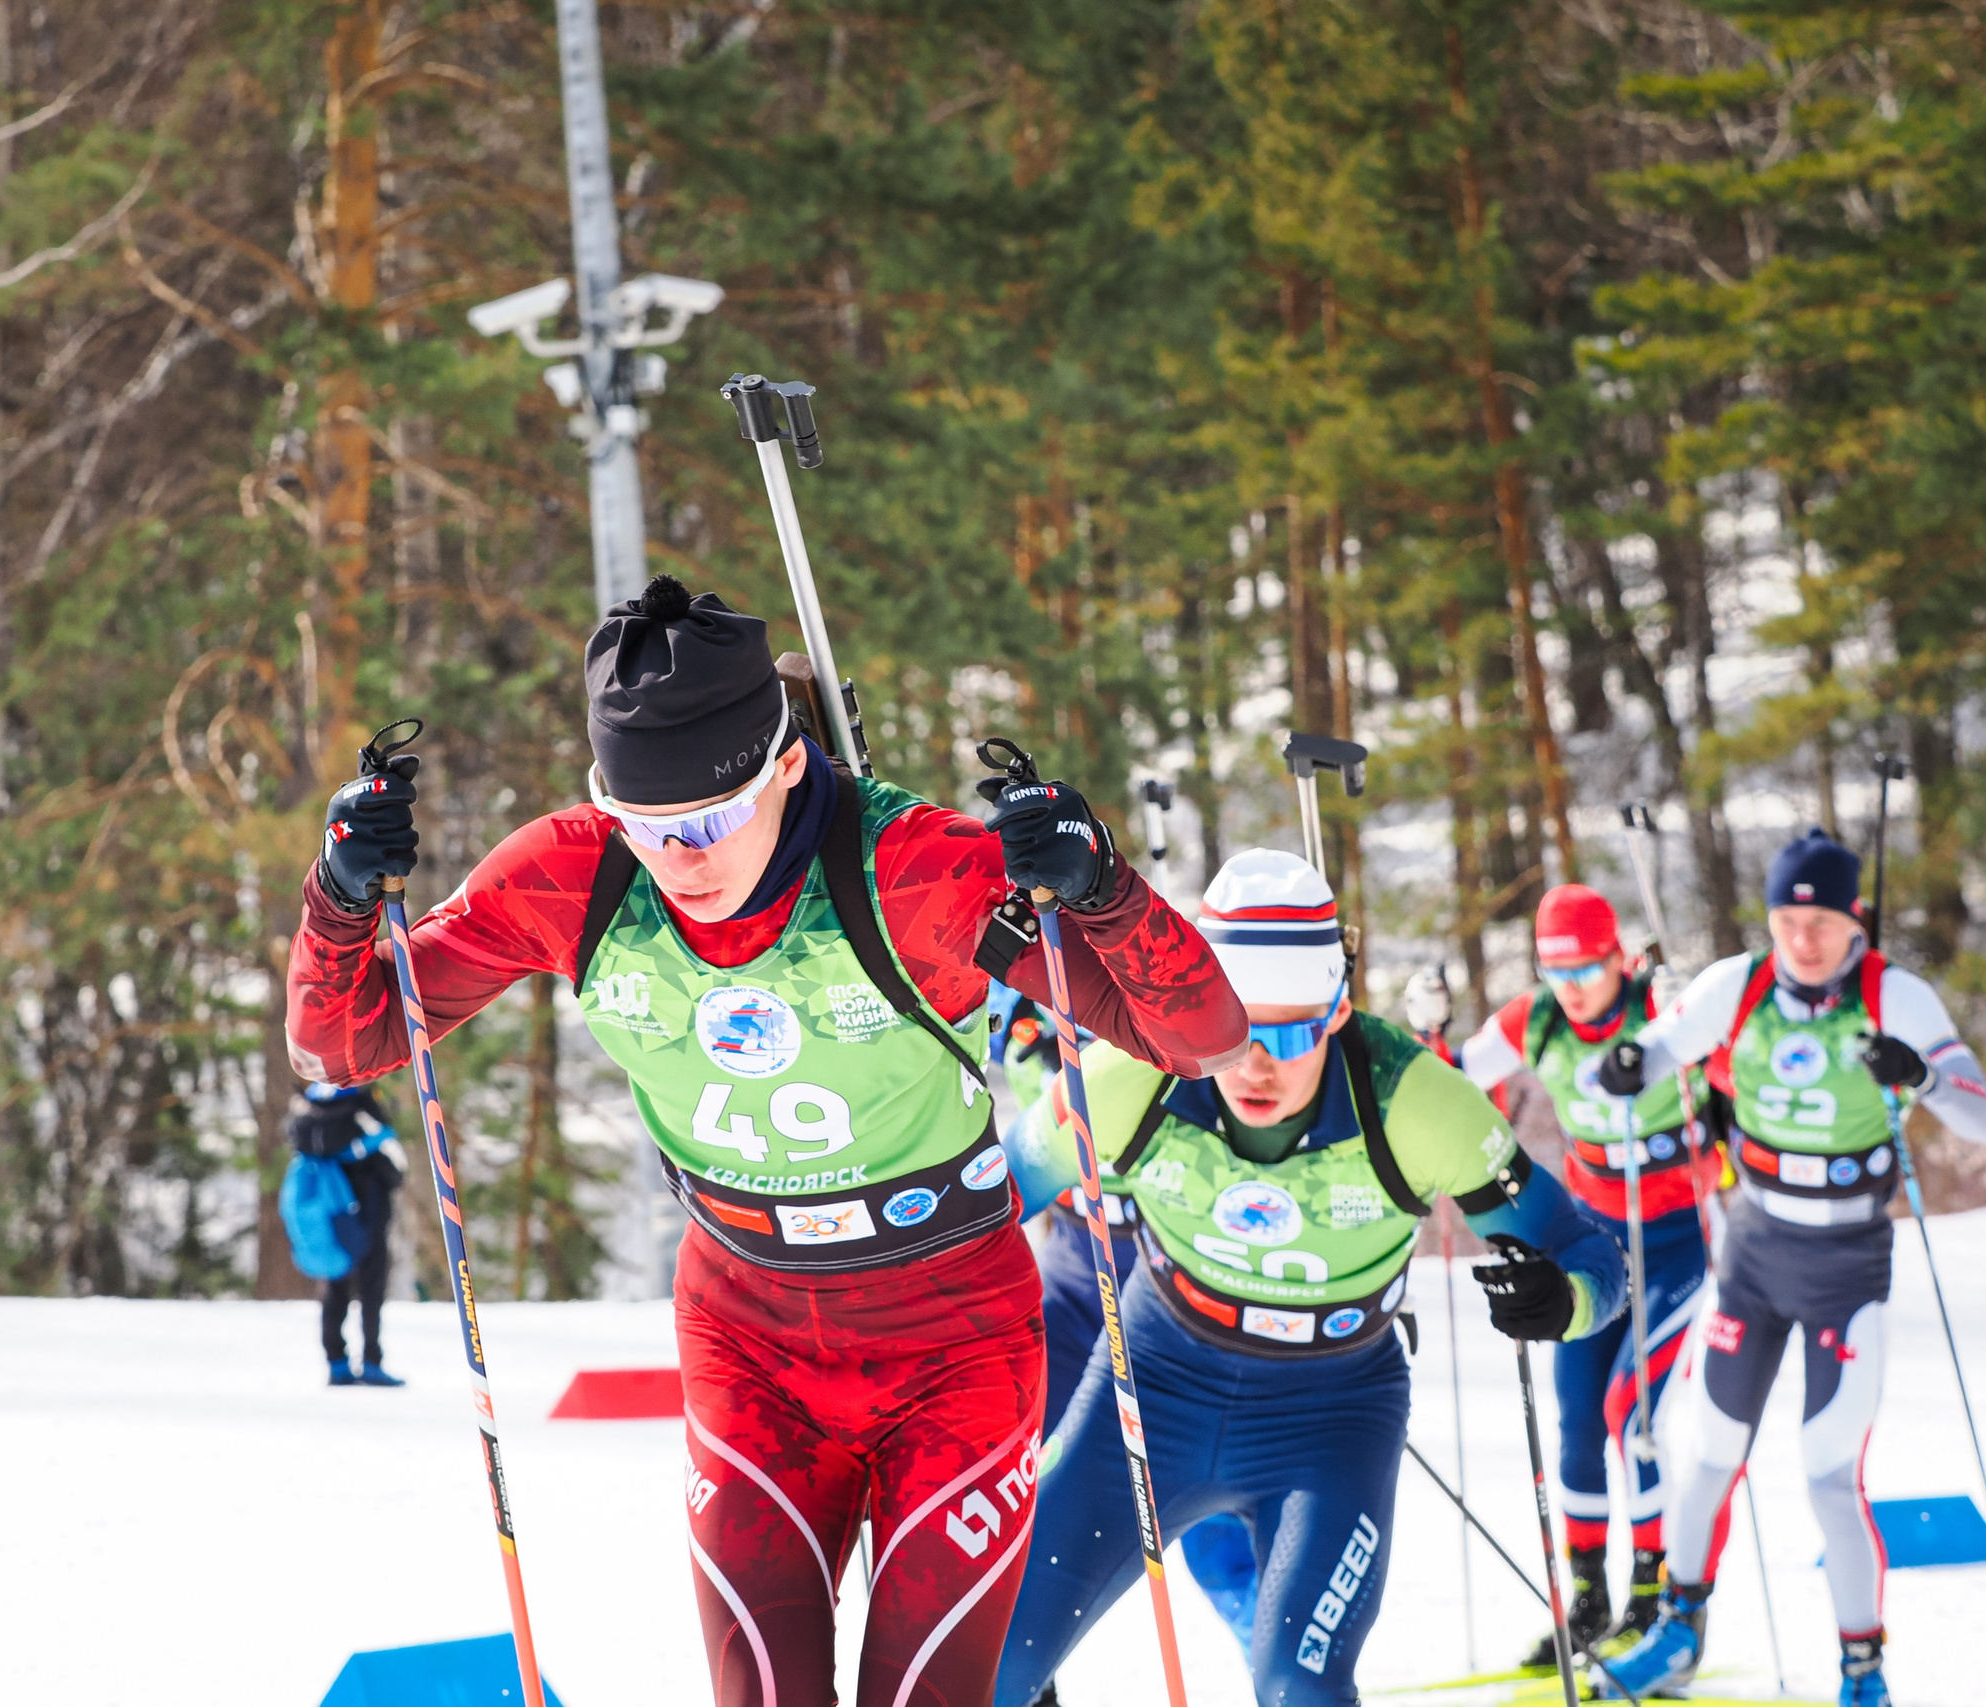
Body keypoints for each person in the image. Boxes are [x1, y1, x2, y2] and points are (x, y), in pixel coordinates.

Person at [287, 576, 1247, 1707]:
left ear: (788, 764)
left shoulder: (915, 867)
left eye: (706, 820)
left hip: (952, 1340)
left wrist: (1098, 887)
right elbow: (340, 1046)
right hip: (749, 1339)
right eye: (647, 826)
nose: (681, 860)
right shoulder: (576, 872)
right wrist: (342, 896)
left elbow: (1199, 1036)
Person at [992, 850, 1628, 1707]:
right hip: (1154, 1386)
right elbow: (974, 1214)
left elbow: (1592, 1257)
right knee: (992, 1660)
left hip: (1331, 1415)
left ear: (1337, 1013)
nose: (1257, 1065)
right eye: (1233, 1029)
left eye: (1290, 1034)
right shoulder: (1126, 1075)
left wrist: (1563, 1300)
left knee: (1301, 1684)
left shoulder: (1414, 1101)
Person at [1593, 829, 1986, 1706]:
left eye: (1819, 918)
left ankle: (1863, 1670)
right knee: (1706, 1455)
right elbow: (1643, 1057)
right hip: (1753, 1252)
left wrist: (1922, 1077)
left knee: (1827, 1472)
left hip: (1846, 1265)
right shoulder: (1736, 987)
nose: (1803, 938)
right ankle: (1676, 1635)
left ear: (1853, 918)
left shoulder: (1895, 994)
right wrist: (1629, 1063)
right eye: (1787, 917)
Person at [1453, 884, 1714, 1665]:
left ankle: (1651, 1597)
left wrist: (1682, 1018)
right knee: (1577, 1425)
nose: (1570, 984)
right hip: (1592, 1243)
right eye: (1553, 966)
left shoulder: (1656, 1005)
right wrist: (1429, 1031)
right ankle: (1589, 1603)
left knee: (1633, 1416)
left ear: (1616, 957)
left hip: (1670, 1242)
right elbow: (1456, 1079)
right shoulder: (1534, 1020)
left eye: (1585, 966)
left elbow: (1727, 1048)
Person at [989, 985, 1260, 1670]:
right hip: (1076, 1278)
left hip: (1174, 1285)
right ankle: (1015, 1675)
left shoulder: (1166, 1003)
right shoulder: (1015, 1006)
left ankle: (1284, 1671)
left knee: (1219, 1526)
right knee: (1010, 1498)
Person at [288, 1081, 407, 1388]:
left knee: (334, 1288)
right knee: (371, 1290)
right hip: (369, 1212)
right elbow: (395, 1171)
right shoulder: (362, 1108)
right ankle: (371, 1362)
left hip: (333, 1217)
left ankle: (336, 1363)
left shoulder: (314, 1107)